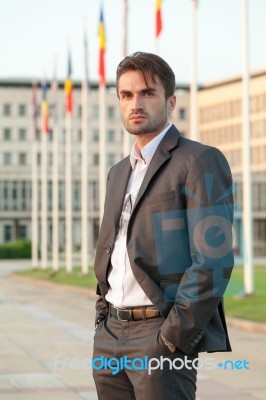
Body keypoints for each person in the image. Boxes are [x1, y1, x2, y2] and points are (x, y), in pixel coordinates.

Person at [93, 51, 234, 400]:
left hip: (160, 336)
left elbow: (213, 260)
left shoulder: (199, 160)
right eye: (126, 95)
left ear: (170, 101)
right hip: (109, 334)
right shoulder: (117, 173)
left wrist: (173, 337)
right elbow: (113, 249)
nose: (135, 103)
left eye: (147, 93)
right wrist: (101, 320)